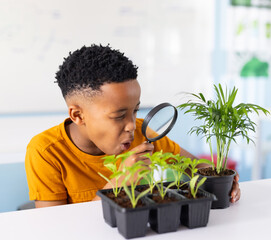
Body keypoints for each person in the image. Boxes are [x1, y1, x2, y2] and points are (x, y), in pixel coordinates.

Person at [25, 44, 241, 208]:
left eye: (135, 110)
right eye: (119, 115)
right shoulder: (45, 152)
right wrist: (117, 185)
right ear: (78, 115)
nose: (131, 125)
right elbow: (53, 229)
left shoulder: (143, 134)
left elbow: (197, 167)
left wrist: (222, 180)